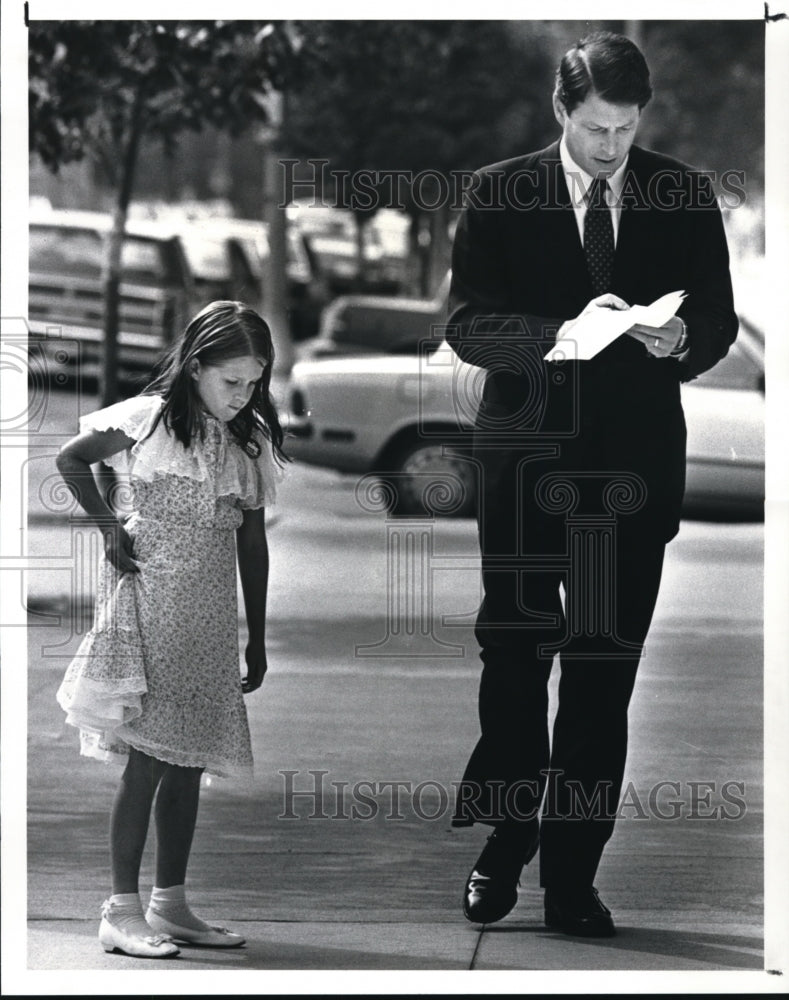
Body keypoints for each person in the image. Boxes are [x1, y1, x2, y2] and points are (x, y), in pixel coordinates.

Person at [446, 30, 738, 936]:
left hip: (629, 478)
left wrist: (677, 341)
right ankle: (506, 840)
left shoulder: (682, 195)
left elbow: (718, 321)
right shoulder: (499, 192)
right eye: (596, 128)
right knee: (513, 663)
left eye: (626, 127)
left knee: (602, 678)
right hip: (525, 472)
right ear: (561, 112)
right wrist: (562, 331)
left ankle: (572, 875)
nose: (611, 147)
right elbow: (466, 327)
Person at [55, 300, 288, 958]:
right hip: (149, 605)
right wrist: (108, 528)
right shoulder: (147, 421)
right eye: (230, 381)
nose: (243, 396)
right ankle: (119, 909)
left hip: (210, 620)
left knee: (188, 761)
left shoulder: (246, 444)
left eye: (255, 383)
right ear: (194, 368)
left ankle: (171, 903)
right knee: (151, 758)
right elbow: (74, 459)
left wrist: (258, 636)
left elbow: (253, 546)